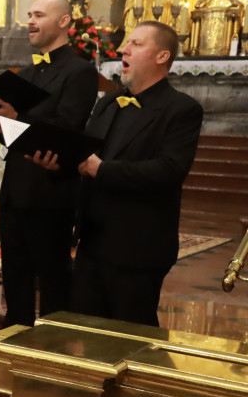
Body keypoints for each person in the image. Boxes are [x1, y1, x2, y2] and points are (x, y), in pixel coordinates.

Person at [32, 21, 203, 327]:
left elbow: (169, 170)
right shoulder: (108, 102)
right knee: (86, 333)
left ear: (162, 57)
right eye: (127, 43)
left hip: (138, 243)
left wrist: (103, 169)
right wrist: (59, 165)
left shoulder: (180, 109)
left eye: (137, 44)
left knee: (130, 335)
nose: (125, 49)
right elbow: (85, 156)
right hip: (94, 240)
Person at [0, 0, 98, 327]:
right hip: (16, 187)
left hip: (50, 190)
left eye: (39, 15)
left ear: (63, 22)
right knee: (14, 275)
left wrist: (16, 116)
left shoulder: (80, 71)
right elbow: (8, 138)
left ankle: (50, 347)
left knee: (52, 276)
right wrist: (1, 121)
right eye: (29, 14)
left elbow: (68, 125)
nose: (30, 21)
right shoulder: (28, 72)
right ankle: (12, 338)